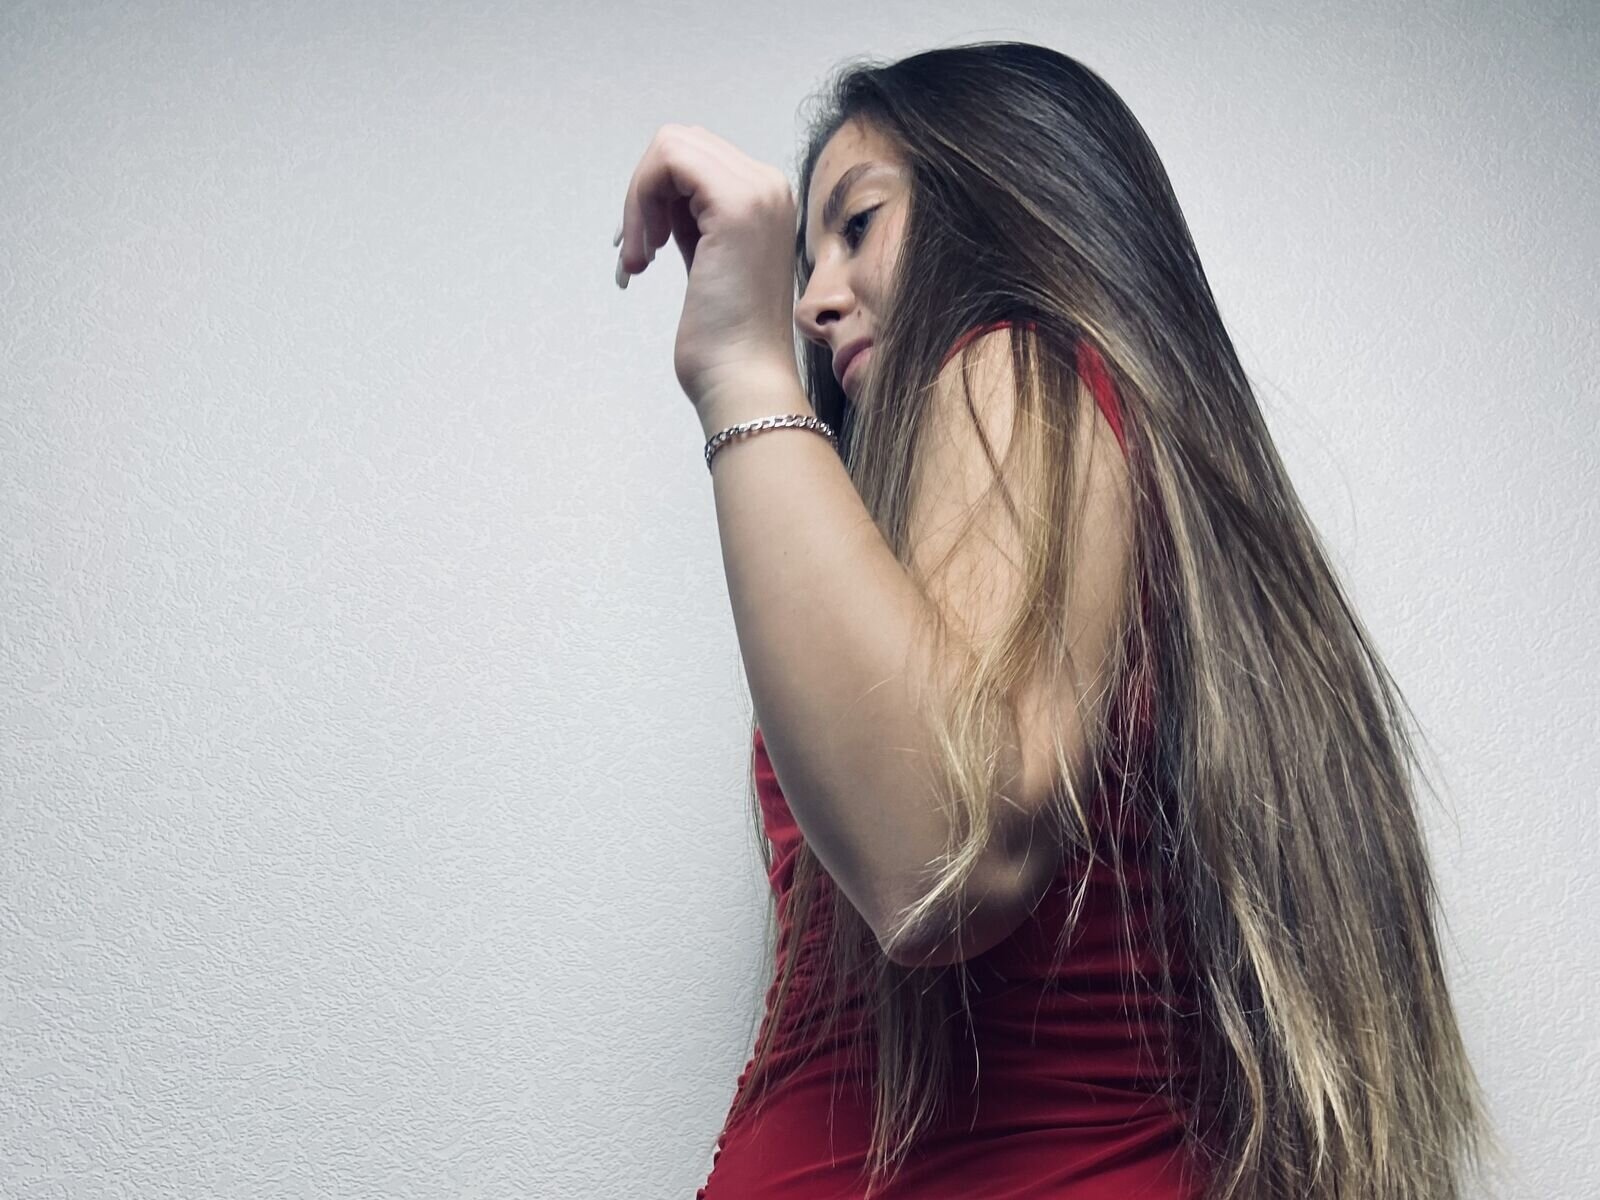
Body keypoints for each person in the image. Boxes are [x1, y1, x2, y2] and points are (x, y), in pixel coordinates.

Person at [614, 40, 1494, 1200]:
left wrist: (741, 366)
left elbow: (940, 855)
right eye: (805, 263)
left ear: (1007, 196)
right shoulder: (1127, 506)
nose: (813, 303)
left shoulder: (1013, 365)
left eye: (858, 226)